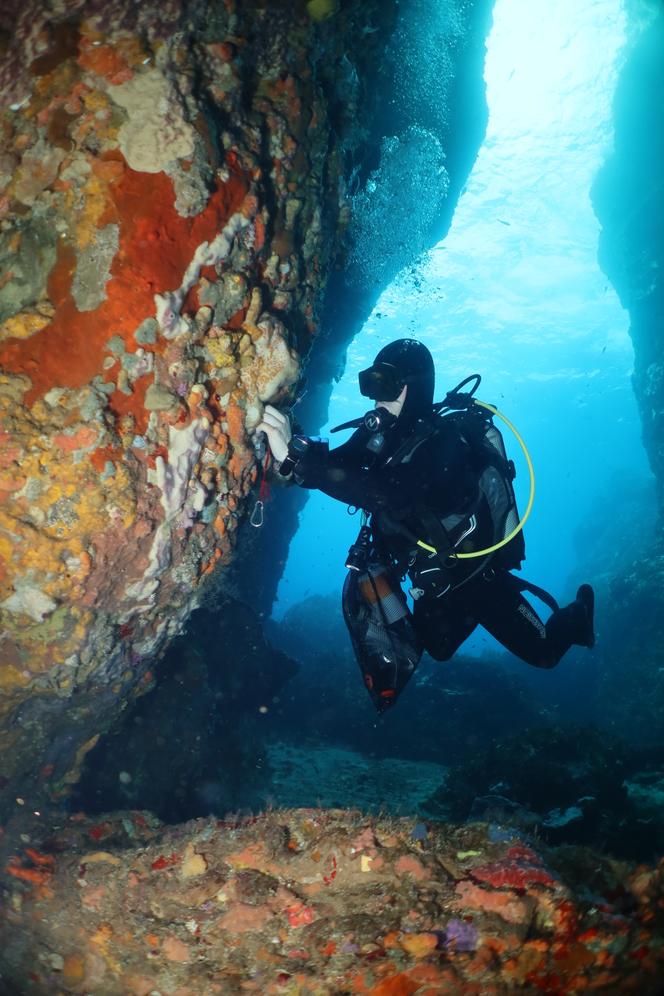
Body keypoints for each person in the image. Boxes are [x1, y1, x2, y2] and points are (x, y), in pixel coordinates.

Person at [257, 339, 595, 694]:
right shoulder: (379, 434)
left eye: (386, 386)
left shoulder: (444, 445)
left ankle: (575, 618)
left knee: (543, 654)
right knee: (439, 648)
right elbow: (339, 466)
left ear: (414, 388)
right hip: (433, 577)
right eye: (370, 385)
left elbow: (389, 492)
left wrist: (301, 463)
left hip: (475, 578)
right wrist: (294, 444)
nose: (376, 398)